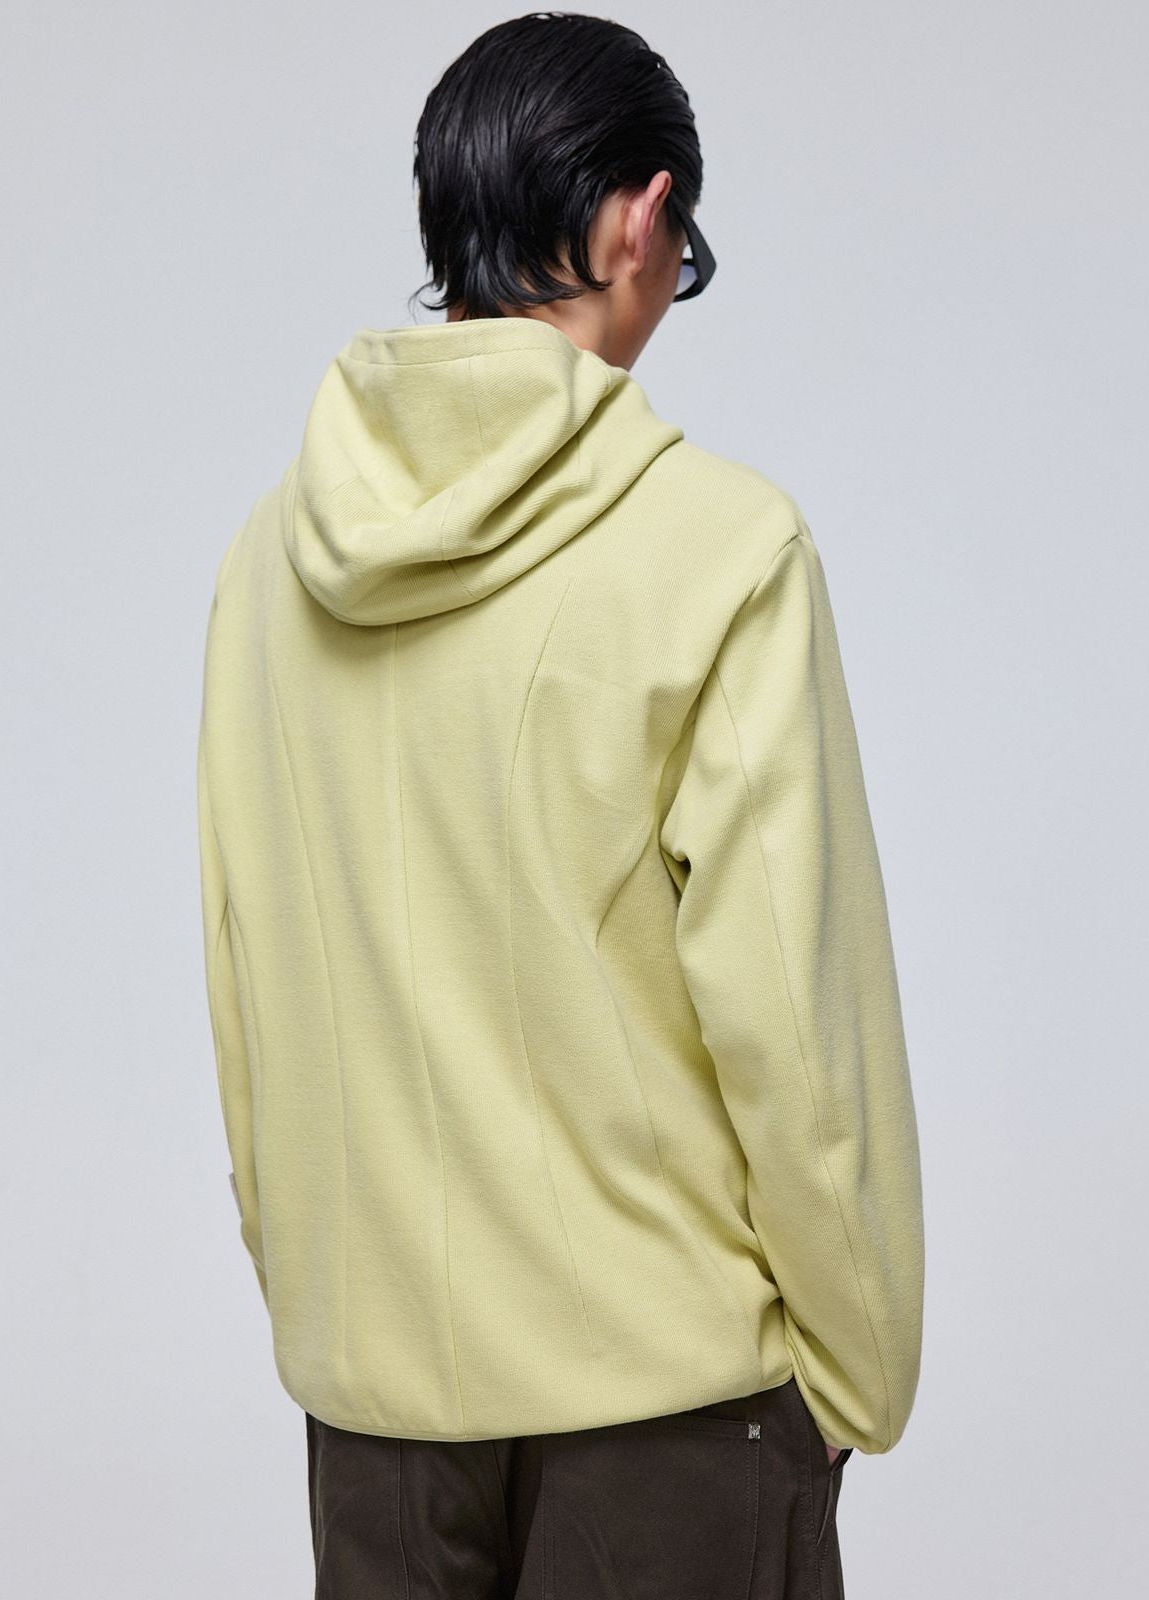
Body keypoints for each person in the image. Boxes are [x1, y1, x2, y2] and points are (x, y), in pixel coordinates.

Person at [196, 12, 925, 1597]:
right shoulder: (724, 549)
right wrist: (854, 1379)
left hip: (375, 1412)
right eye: (685, 253)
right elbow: (797, 1031)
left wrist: (329, 1314)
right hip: (670, 1413)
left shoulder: (267, 562)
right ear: (637, 220)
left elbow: (249, 985)